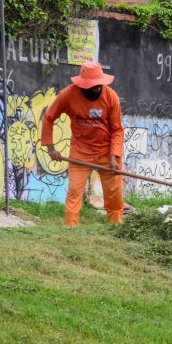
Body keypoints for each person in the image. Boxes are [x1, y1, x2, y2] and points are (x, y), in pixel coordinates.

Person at [42, 62, 124, 226]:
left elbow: (117, 130)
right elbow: (49, 117)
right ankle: (71, 228)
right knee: (74, 191)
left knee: (114, 194)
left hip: (106, 152)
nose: (96, 89)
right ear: (82, 85)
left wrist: (114, 156)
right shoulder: (68, 95)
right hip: (81, 151)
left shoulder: (111, 97)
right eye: (92, 86)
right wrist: (51, 148)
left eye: (98, 86)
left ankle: (115, 226)